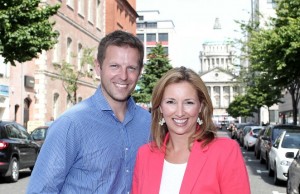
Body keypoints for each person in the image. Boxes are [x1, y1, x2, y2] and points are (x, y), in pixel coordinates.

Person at [27, 30, 151, 193]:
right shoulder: (70, 125)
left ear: (140, 71)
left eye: (131, 68)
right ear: (98, 67)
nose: (123, 76)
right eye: (114, 66)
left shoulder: (148, 123)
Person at [132, 66, 251, 194]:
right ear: (160, 107)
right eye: (171, 102)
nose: (180, 112)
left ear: (200, 106)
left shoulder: (225, 152)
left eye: (188, 102)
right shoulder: (144, 155)